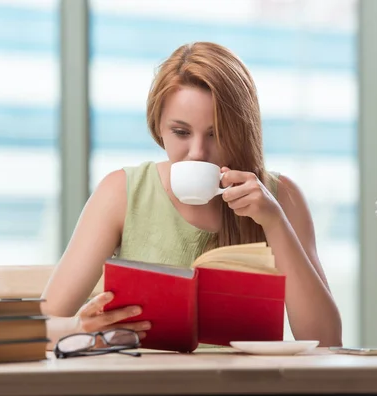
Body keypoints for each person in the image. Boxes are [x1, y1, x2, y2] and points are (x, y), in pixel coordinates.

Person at [41, 41, 343, 348]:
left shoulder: (281, 198)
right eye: (181, 132)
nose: (197, 152)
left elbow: (327, 340)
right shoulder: (121, 192)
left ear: (240, 130)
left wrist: (275, 223)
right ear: (158, 127)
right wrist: (79, 327)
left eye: (216, 133)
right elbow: (42, 326)